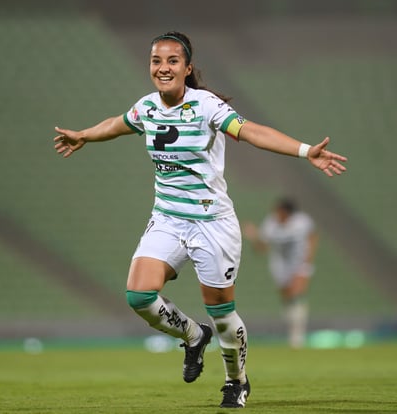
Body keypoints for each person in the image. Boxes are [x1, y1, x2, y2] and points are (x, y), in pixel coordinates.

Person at [53, 31, 347, 408]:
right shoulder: (147, 108)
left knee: (223, 315)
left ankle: (236, 380)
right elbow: (118, 123)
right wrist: (84, 136)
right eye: (156, 61)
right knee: (139, 295)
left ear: (187, 68)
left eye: (172, 61)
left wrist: (306, 151)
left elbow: (252, 132)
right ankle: (193, 336)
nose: (163, 68)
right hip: (168, 218)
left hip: (212, 224)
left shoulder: (205, 106)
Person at [243, 198, 319, 348]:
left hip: (300, 262)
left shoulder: (302, 222)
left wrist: (308, 260)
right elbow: (262, 248)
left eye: (278, 211)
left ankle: (297, 336)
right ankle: (293, 328)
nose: (275, 214)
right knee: (288, 298)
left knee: (296, 293)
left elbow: (312, 237)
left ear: (286, 212)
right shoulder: (271, 223)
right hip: (280, 265)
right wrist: (254, 236)